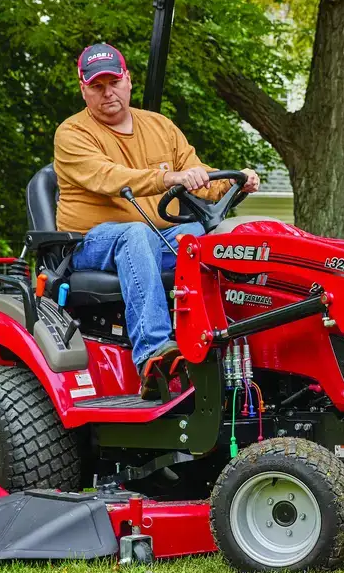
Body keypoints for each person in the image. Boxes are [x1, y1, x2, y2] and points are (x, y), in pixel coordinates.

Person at [54, 42, 259, 392]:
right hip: (89, 244)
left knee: (224, 242)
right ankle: (154, 356)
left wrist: (234, 180)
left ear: (128, 80)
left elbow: (196, 173)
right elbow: (109, 177)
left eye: (113, 82)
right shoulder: (72, 134)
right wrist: (170, 178)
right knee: (134, 234)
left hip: (157, 237)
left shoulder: (160, 127)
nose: (108, 94)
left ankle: (236, 345)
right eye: (97, 87)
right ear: (83, 90)